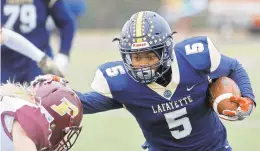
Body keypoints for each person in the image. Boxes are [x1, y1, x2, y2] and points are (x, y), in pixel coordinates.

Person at [32, 11, 256, 151]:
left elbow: (234, 67)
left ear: (166, 51)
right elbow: (84, 103)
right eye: (136, 57)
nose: (144, 64)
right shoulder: (122, 84)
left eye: (150, 56)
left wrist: (247, 98)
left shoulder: (194, 58)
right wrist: (52, 94)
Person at [1, 0, 76, 83]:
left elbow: (66, 22)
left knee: (44, 93)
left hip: (36, 63)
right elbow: (6, 36)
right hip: (5, 63)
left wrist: (63, 53)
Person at [0, 80, 83, 151]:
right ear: (53, 125)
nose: (63, 141)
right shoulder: (32, 121)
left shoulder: (14, 106)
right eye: (64, 133)